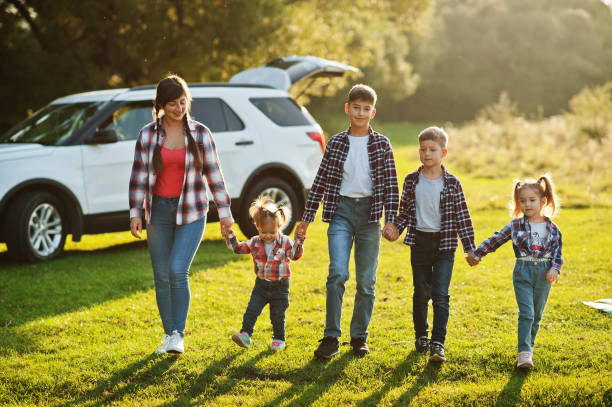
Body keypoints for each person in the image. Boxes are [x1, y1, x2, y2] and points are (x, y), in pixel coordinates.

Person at [129, 74, 233, 354]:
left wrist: (225, 214)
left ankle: (178, 334)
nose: (179, 108)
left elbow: (215, 176)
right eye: (172, 103)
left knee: (177, 269)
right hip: (158, 211)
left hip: (191, 211)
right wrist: (135, 212)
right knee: (161, 275)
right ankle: (168, 334)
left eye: (183, 102)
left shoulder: (200, 133)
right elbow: (139, 176)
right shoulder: (148, 134)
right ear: (161, 105)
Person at [295, 84, 399, 360]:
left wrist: (392, 220)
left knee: (367, 281)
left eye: (366, 109)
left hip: (369, 216)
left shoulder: (381, 144)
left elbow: (391, 185)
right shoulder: (337, 143)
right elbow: (320, 182)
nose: (361, 113)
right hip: (340, 212)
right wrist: (306, 219)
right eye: (356, 107)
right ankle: (331, 336)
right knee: (337, 273)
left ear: (373, 112)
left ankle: (359, 336)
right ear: (347, 109)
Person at [386, 126, 476, 363]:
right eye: (423, 149)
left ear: (443, 152)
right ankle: (421, 337)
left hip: (445, 245)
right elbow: (404, 211)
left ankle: (438, 343)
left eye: (432, 149)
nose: (427, 154)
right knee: (421, 293)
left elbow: (462, 217)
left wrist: (470, 248)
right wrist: (395, 227)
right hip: (420, 243)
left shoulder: (453, 183)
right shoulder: (412, 180)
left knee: (440, 295)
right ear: (419, 151)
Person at [466, 175, 562, 369]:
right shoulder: (516, 225)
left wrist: (555, 268)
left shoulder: (553, 229)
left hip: (544, 273)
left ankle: (530, 346)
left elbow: (558, 253)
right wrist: (477, 254)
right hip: (523, 271)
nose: (527, 205)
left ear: (543, 201)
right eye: (522, 201)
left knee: (537, 315)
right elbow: (496, 239)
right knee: (527, 312)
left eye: (532, 200)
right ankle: (524, 352)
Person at [226, 196, 304, 351]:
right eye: (264, 232)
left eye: (272, 232)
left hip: (280, 286)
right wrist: (229, 235)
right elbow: (238, 248)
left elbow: (295, 256)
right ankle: (245, 335)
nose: (268, 235)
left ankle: (279, 339)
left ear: (279, 226)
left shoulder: (286, 242)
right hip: (261, 285)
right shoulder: (255, 242)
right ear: (257, 226)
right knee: (251, 310)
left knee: (277, 315)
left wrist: (299, 242)